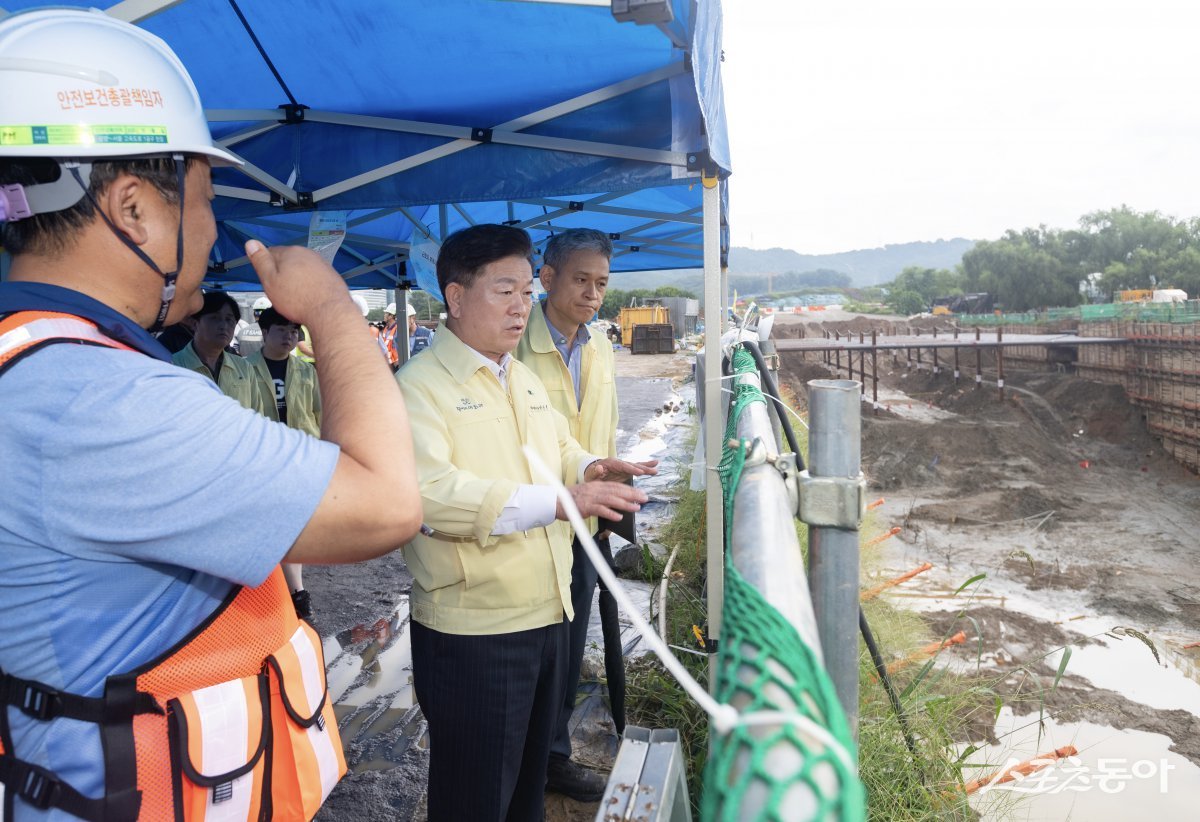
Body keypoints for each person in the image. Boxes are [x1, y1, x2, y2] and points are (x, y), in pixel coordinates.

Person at [0, 9, 421, 820]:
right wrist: (331, 308)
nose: (214, 231)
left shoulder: (35, 360)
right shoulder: (105, 399)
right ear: (132, 208)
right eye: (205, 198)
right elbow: (386, 503)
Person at [395, 224, 655, 821]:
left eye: (525, 292)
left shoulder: (519, 376)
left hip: (547, 615)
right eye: (504, 291)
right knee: (476, 798)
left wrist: (590, 466)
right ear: (456, 297)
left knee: (527, 792)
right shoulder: (418, 389)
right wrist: (561, 501)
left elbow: (556, 445)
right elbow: (430, 494)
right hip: (475, 631)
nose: (521, 307)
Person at [514, 227, 633, 801]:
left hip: (586, 525)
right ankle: (518, 759)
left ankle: (552, 757)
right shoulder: (512, 341)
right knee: (528, 649)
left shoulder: (601, 344)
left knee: (568, 647)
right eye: (581, 280)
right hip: (529, 522)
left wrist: (609, 502)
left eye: (601, 283)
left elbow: (601, 429)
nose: (592, 294)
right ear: (547, 277)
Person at [247, 306, 322, 618]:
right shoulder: (243, 369)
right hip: (262, 460)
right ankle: (288, 592)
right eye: (281, 330)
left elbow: (317, 413)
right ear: (264, 332)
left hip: (298, 458)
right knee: (270, 526)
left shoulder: (305, 370)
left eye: (294, 331)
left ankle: (295, 592)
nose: (289, 336)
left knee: (291, 526)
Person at [172, 289, 267, 412]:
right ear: (195, 324)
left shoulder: (244, 368)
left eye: (229, 319)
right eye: (215, 318)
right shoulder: (174, 367)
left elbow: (256, 414)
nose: (223, 325)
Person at [380, 301, 401, 369]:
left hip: (396, 365)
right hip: (387, 364)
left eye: (386, 313)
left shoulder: (398, 329)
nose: (384, 315)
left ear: (391, 316)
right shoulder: (385, 329)